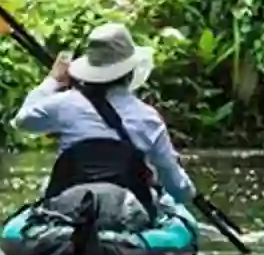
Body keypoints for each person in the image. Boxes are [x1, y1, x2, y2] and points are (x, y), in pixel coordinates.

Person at [11, 22, 197, 216]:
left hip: (69, 211)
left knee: (45, 187)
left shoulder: (63, 104)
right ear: (130, 72)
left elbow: (22, 120)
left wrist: (54, 81)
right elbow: (177, 188)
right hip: (128, 214)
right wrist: (188, 192)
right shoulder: (148, 118)